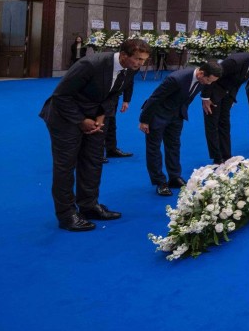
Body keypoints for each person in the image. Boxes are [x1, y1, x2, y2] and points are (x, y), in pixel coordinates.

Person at [39, 38, 151, 231]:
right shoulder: (90, 64)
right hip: (65, 117)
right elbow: (61, 96)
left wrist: (100, 116)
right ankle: (67, 215)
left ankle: (89, 206)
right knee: (65, 167)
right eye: (138, 59)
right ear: (124, 55)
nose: (140, 64)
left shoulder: (130, 69)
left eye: (144, 60)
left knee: (93, 161)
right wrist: (81, 120)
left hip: (94, 116)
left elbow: (114, 94)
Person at [140, 61, 223, 196]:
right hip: (157, 115)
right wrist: (144, 120)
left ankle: (174, 177)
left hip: (177, 115)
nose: (208, 84)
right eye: (208, 80)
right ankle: (160, 182)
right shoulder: (176, 79)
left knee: (174, 145)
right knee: (154, 149)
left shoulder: (202, 80)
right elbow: (155, 98)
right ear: (201, 73)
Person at [203, 51, 249, 163]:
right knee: (213, 125)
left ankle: (226, 156)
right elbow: (211, 76)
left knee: (225, 124)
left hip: (227, 95)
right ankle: (217, 158)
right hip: (214, 93)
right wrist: (205, 97)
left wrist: (232, 98)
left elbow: (237, 82)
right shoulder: (235, 62)